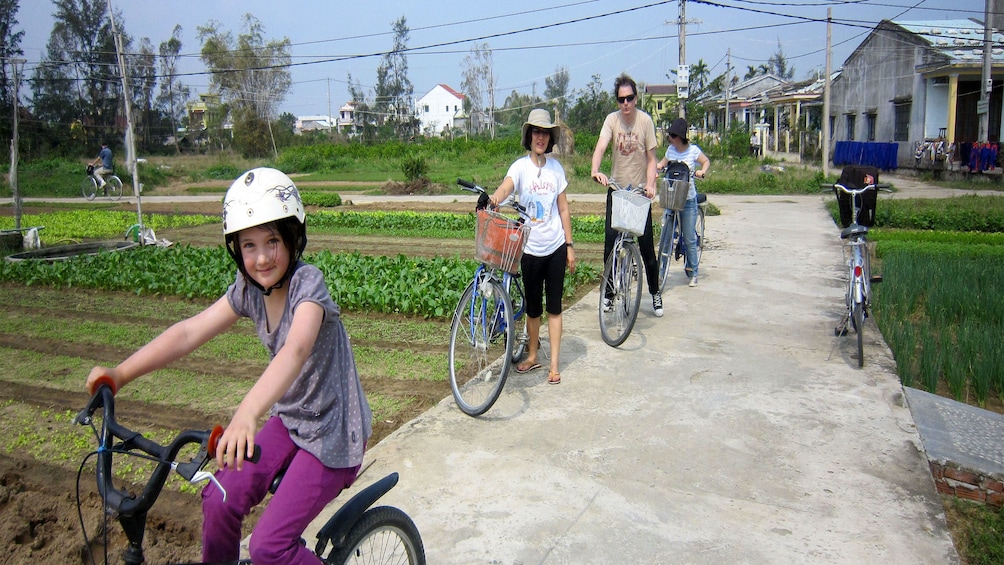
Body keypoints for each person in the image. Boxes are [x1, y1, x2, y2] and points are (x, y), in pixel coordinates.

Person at [85, 167, 372, 565]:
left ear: (293, 237)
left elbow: (296, 349)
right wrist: (119, 374)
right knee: (219, 498)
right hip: (292, 421)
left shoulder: (308, 286)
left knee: (269, 548)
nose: (261, 257)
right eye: (249, 245)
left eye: (272, 240)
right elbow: (189, 332)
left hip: (334, 435)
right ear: (236, 250)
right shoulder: (248, 290)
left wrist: (246, 414)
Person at [482, 108, 575, 385]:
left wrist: (570, 246)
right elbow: (505, 188)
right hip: (530, 248)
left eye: (545, 133)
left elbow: (564, 209)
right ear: (529, 136)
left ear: (550, 138)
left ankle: (555, 365)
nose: (541, 137)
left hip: (556, 246)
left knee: (554, 307)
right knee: (534, 308)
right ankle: (533, 355)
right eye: (536, 132)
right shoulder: (520, 167)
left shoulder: (556, 169)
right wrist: (493, 200)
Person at [590, 73, 662, 316]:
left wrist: (651, 184)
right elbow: (601, 146)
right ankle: (609, 294)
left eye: (630, 98)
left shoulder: (645, 122)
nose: (626, 104)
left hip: (641, 193)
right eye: (621, 100)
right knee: (610, 246)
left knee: (647, 251)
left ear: (636, 97)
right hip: (617, 191)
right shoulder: (612, 120)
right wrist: (595, 170)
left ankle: (655, 292)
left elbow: (652, 159)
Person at [657, 117, 710, 287]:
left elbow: (705, 161)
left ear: (681, 136)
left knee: (689, 238)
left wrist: (702, 171)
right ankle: (661, 272)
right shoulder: (670, 151)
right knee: (665, 238)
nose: (671, 139)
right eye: (670, 135)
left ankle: (693, 272)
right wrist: (655, 168)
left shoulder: (693, 151)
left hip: (687, 199)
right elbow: (662, 164)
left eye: (673, 135)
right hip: (671, 197)